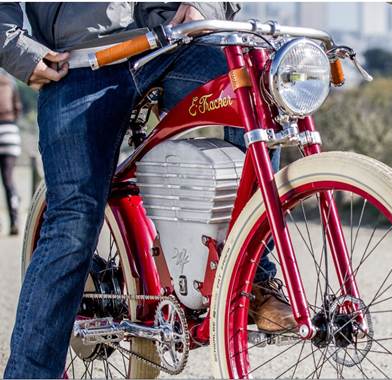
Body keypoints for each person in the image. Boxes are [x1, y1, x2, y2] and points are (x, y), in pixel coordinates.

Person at [0, 3, 294, 377]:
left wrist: (202, 5)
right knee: (73, 220)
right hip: (81, 59)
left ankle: (254, 277)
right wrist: (18, 50)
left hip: (174, 47)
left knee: (263, 88)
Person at [0, 69, 22, 235]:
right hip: (11, 132)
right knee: (8, 180)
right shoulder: (11, 83)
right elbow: (17, 108)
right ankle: (14, 219)